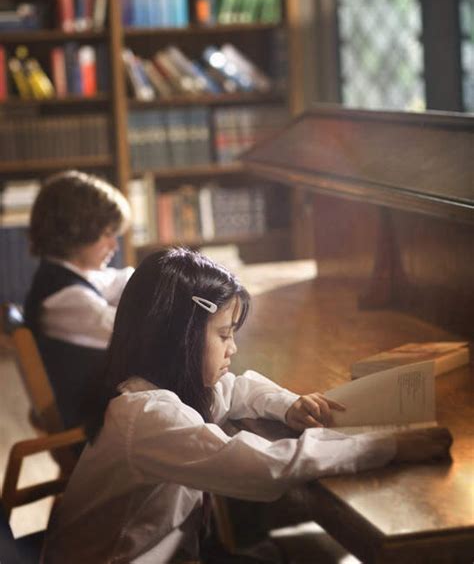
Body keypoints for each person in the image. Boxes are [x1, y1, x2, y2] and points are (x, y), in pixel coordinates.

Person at [42, 247, 452, 564]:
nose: (233, 349)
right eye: (223, 335)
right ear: (178, 338)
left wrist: (288, 405)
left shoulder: (155, 388)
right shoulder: (148, 416)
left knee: (308, 548)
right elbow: (266, 467)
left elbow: (237, 388)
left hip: (172, 553)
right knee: (320, 551)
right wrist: (388, 445)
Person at [24, 170, 133, 427]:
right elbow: (134, 332)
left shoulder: (66, 275)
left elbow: (122, 279)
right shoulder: (65, 299)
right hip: (95, 432)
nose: (114, 246)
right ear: (76, 232)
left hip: (100, 416)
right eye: (107, 234)